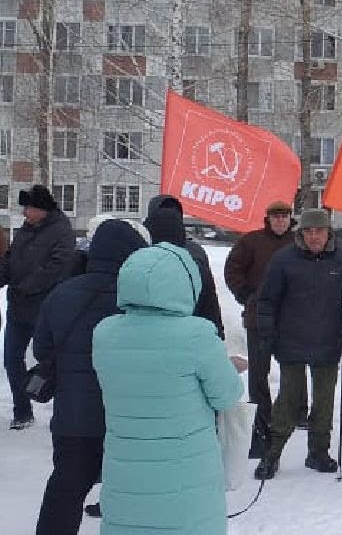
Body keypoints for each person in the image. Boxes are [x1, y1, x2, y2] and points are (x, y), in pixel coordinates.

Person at [93, 242, 246, 534]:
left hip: (127, 469)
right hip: (185, 472)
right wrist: (227, 367)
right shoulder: (197, 336)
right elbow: (226, 395)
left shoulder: (105, 333)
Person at [33, 220, 148, 534]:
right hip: (125, 419)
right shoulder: (139, 300)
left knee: (65, 491)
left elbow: (42, 349)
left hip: (73, 419)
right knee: (128, 497)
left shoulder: (61, 293)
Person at [254, 209, 342, 480]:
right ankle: (272, 453)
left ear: (329, 232)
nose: (314, 236)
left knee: (324, 401)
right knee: (288, 400)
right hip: (290, 340)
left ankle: (318, 452)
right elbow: (268, 300)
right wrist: (267, 333)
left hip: (328, 341)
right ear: (301, 234)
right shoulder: (284, 260)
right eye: (308, 231)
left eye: (319, 230)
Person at [224, 200, 297, 457]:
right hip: (258, 320)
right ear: (268, 219)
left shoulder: (298, 243)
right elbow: (232, 269)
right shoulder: (251, 242)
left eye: (284, 216)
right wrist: (246, 294)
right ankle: (261, 429)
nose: (280, 221)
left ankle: (292, 416)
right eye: (275, 216)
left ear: (290, 218)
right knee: (258, 377)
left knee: (294, 373)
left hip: (291, 321)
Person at [2, 185, 76, 430]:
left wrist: (28, 286)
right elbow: (10, 260)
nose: (25, 213)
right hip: (17, 308)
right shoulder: (25, 230)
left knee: (52, 363)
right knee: (12, 360)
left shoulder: (62, 231)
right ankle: (22, 411)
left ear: (42, 209)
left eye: (29, 208)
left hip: (45, 309)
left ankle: (64, 413)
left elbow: (58, 267)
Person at [143, 196, 225, 339]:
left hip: (190, 330)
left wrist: (216, 332)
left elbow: (208, 294)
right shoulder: (141, 252)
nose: (169, 217)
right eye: (164, 211)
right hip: (151, 332)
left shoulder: (195, 251)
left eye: (174, 212)